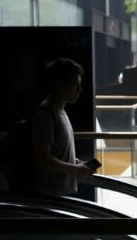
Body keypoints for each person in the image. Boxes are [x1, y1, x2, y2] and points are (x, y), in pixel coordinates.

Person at [31, 57, 95, 196]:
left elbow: (55, 154)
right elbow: (43, 160)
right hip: (52, 195)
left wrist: (76, 163)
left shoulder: (59, 112)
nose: (80, 90)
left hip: (59, 192)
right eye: (75, 85)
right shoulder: (45, 115)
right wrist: (75, 169)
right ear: (59, 84)